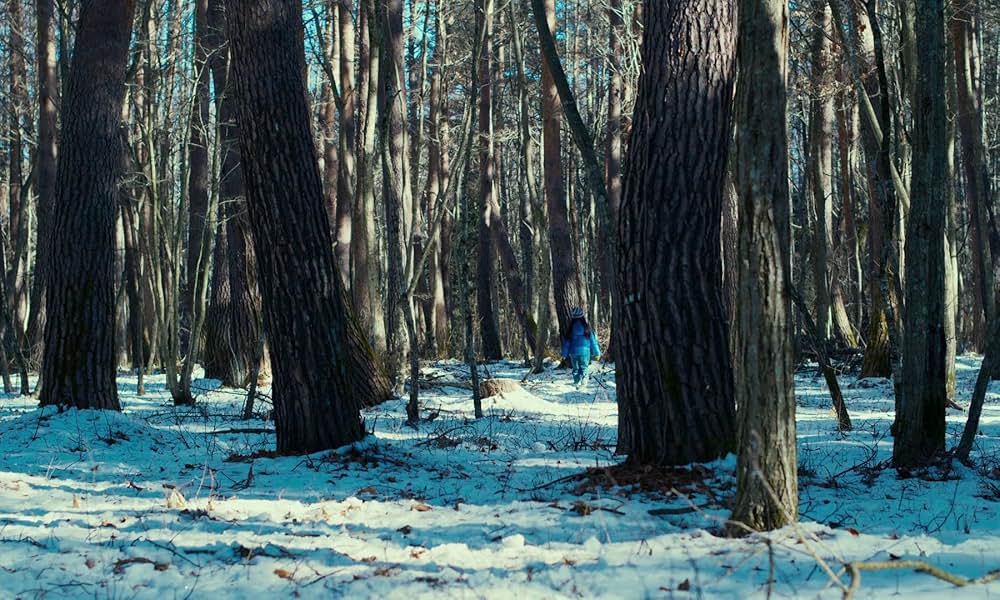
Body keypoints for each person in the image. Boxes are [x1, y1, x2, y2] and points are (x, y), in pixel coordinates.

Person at [560, 306, 601, 389]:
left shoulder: (570, 329)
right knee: (584, 367)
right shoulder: (587, 328)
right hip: (585, 352)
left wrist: (564, 354)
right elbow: (593, 342)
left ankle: (576, 382)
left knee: (575, 368)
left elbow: (566, 343)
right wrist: (597, 353)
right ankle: (584, 382)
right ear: (582, 317)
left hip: (573, 352)